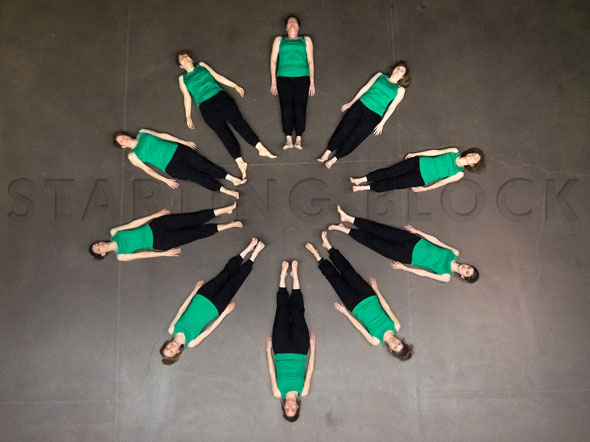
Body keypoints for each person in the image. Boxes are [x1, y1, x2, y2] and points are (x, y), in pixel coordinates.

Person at [305, 232, 413, 361]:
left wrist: (345, 313)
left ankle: (317, 255)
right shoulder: (396, 325)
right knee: (348, 272)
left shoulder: (375, 340)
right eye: (399, 343)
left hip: (354, 305)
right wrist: (377, 290)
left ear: (391, 350)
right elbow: (386, 308)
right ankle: (328, 247)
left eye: (395, 347)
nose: (395, 343)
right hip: (369, 296)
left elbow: (359, 327)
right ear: (401, 341)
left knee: (335, 280)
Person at [161, 238, 266, 365]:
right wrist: (224, 313)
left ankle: (248, 249)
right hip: (215, 307)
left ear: (166, 344)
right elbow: (209, 330)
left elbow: (181, 310)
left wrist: (194, 291)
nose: (170, 347)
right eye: (171, 351)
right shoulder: (191, 343)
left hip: (201, 297)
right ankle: (254, 255)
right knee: (235, 282)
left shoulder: (172, 329)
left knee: (224, 274)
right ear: (177, 352)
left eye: (167, 348)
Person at [177, 51, 276, 179]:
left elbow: (217, 76)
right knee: (223, 133)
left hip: (221, 97)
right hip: (206, 107)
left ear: (191, 58)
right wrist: (188, 116)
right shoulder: (183, 79)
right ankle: (240, 162)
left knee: (239, 122)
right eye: (181, 58)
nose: (185, 58)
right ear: (181, 66)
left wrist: (235, 86)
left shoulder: (201, 65)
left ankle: (261, 148)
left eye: (186, 56)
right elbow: (186, 97)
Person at [328, 205, 479, 283]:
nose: (466, 268)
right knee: (380, 230)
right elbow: (436, 241)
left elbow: (424, 273)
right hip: (414, 241)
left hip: (407, 256)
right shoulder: (454, 253)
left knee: (374, 242)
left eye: (467, 272)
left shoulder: (446, 276)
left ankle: (343, 229)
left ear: (463, 276)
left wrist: (405, 268)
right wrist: (418, 231)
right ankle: (348, 218)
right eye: (469, 267)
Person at [317, 61, 411, 169]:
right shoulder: (380, 76)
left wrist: (382, 123)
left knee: (356, 136)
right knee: (344, 128)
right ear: (394, 69)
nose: (399, 70)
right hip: (361, 104)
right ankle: (327, 152)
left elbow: (392, 107)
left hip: (374, 115)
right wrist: (351, 103)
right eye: (398, 68)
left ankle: (334, 159)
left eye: (402, 71)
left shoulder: (400, 89)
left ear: (403, 76)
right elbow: (366, 87)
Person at [113, 128, 245, 199]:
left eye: (123, 136)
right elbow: (147, 170)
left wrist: (183, 142)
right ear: (123, 146)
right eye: (121, 141)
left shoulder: (142, 132)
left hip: (177, 150)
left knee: (203, 164)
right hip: (170, 166)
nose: (124, 139)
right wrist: (165, 180)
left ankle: (231, 178)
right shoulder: (132, 155)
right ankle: (226, 191)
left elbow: (162, 135)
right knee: (197, 177)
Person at [89, 204, 242, 261]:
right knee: (195, 233)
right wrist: (164, 254)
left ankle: (225, 210)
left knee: (191, 218)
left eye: (97, 244)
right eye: (98, 249)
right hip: (160, 242)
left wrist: (154, 215)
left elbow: (133, 224)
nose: (99, 245)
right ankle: (229, 225)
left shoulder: (114, 232)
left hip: (156, 226)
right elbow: (143, 255)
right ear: (102, 254)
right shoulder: (121, 255)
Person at [266, 260, 316, 422]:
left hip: (280, 349)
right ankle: (295, 276)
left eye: (287, 409)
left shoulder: (277, 393)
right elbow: (310, 369)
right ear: (298, 407)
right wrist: (313, 348)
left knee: (281, 312)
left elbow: (272, 370)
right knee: (297, 312)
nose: (290, 407)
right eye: (293, 409)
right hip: (301, 349)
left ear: (284, 407)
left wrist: (268, 350)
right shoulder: (304, 391)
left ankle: (282, 277)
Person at [269, 15, 315, 150]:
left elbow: (311, 61)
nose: (292, 23)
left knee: (300, 107)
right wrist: (273, 80)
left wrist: (312, 81)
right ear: (286, 28)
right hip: (283, 78)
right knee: (286, 108)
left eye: (295, 21)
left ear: (298, 27)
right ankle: (288, 139)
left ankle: (299, 138)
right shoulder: (279, 40)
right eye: (290, 21)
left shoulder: (306, 40)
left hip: (303, 77)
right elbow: (273, 60)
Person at [350, 147, 485, 193]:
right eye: (474, 154)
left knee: (394, 184)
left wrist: (424, 189)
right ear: (470, 152)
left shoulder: (459, 173)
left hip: (421, 178)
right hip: (418, 162)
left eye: (475, 159)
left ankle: (363, 188)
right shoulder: (454, 151)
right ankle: (361, 179)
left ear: (472, 165)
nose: (472, 156)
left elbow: (442, 182)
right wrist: (416, 154)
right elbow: (435, 152)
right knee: (390, 172)